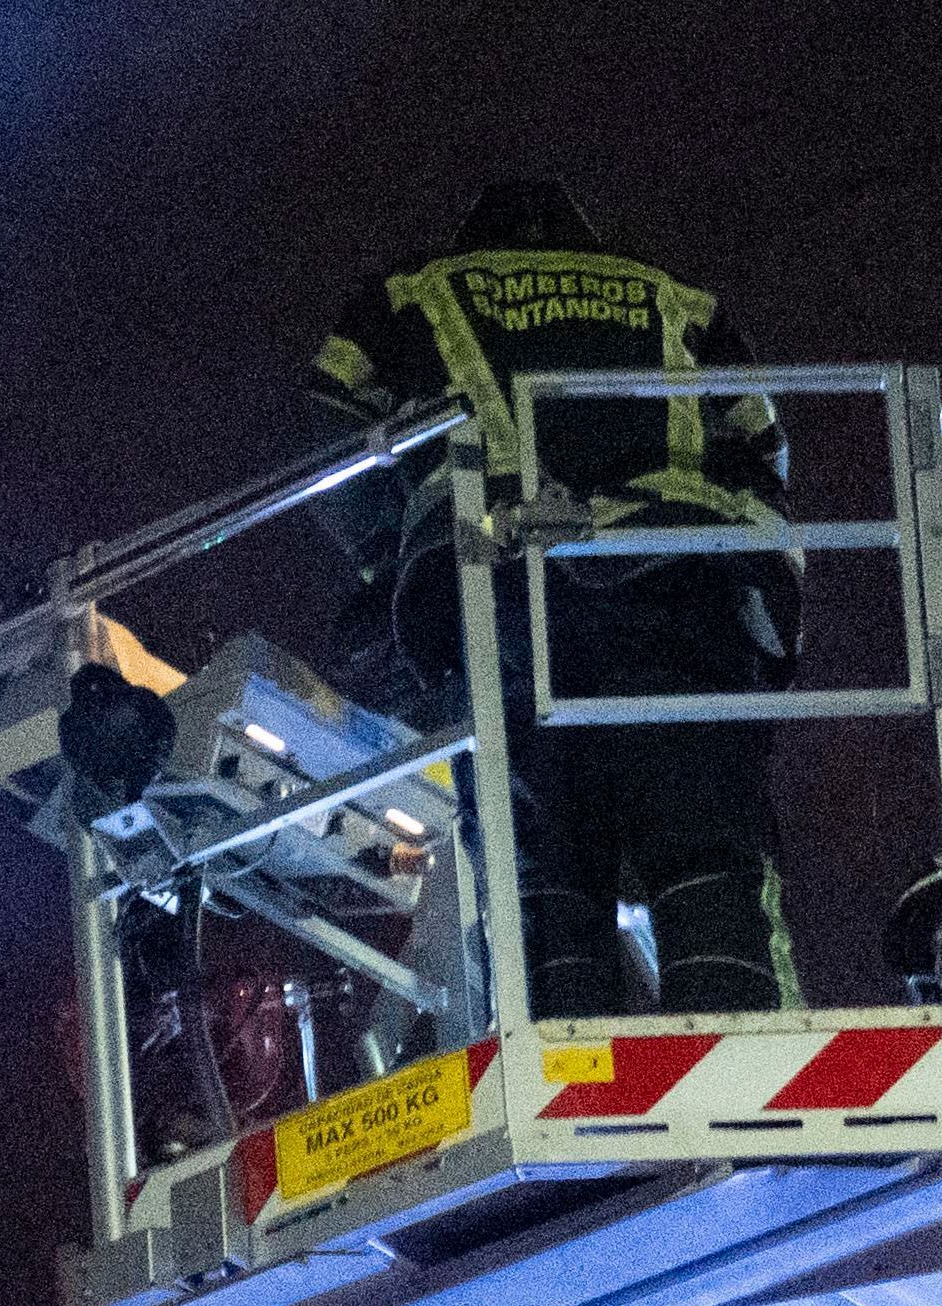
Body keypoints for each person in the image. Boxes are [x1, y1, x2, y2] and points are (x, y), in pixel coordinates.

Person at [312, 181, 800, 1015]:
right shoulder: (673, 296)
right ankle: (749, 1064)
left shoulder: (411, 294)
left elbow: (330, 424)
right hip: (675, 606)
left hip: (507, 606)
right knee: (707, 858)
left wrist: (387, 567)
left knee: (545, 878)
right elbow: (760, 442)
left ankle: (577, 1081)